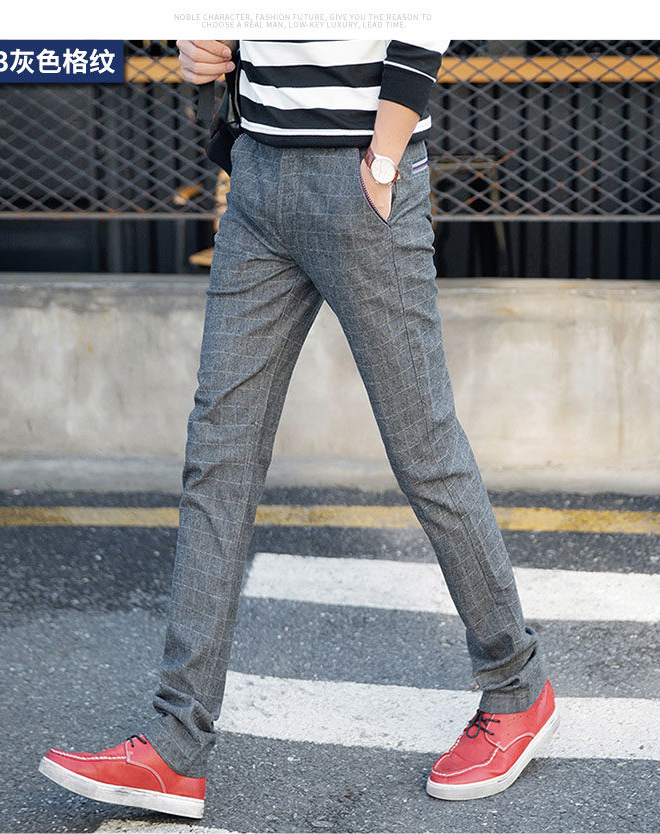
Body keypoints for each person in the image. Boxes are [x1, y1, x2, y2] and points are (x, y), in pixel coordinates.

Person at [38, 38, 558, 816]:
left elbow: (423, 18)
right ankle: (176, 746)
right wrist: (209, 42)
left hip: (361, 172)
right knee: (218, 457)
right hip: (258, 175)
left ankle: (518, 690)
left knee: (425, 453)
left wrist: (383, 161)